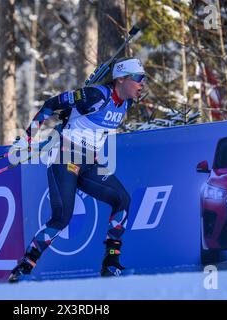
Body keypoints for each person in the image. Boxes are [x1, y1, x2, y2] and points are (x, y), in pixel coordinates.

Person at [8, 57, 146, 282]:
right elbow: (51, 105)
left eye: (144, 79)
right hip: (66, 157)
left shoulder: (128, 102)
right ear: (121, 79)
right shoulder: (96, 95)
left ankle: (110, 265)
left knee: (122, 200)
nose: (142, 84)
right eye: (138, 78)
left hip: (90, 162)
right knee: (62, 217)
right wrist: (27, 139)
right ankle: (23, 268)